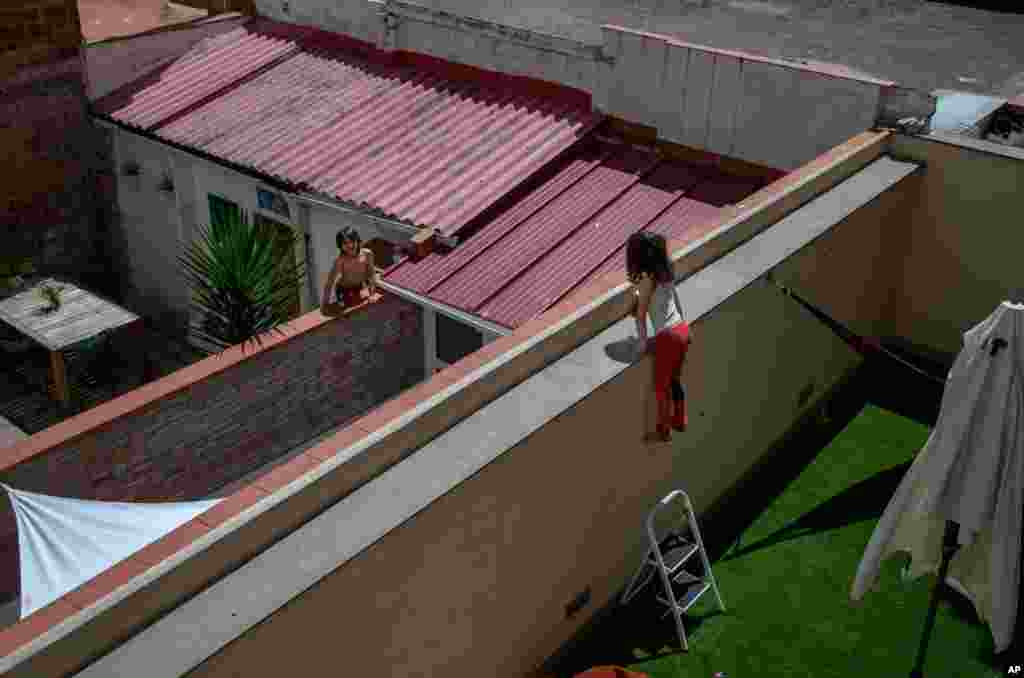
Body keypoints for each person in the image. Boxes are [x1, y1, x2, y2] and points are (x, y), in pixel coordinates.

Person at [626, 232, 690, 443]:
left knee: (661, 388)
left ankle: (663, 431)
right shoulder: (666, 272)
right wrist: (685, 325)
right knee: (675, 379)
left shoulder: (647, 280)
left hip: (667, 336)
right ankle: (680, 420)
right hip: (681, 329)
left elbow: (640, 316)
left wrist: (642, 344)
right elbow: (675, 300)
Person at [322, 228, 377, 310]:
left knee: (362, 306)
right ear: (340, 246)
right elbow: (330, 282)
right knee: (343, 308)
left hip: (359, 286)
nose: (350, 245)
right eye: (345, 243)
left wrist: (372, 294)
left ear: (358, 241)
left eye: (352, 241)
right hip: (343, 289)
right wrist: (325, 303)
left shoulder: (367, 254)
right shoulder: (340, 260)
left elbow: (371, 274)